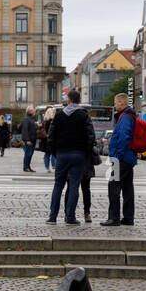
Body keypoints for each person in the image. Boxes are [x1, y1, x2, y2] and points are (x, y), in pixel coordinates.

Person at [46, 90, 94, 224]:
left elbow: (51, 136)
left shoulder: (59, 115)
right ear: (79, 101)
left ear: (68, 100)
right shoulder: (84, 115)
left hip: (62, 154)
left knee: (58, 185)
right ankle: (70, 217)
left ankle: (52, 217)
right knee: (74, 186)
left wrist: (56, 152)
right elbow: (91, 136)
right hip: (78, 154)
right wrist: (85, 152)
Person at [101, 93, 137, 226]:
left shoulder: (125, 117)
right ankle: (128, 217)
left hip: (121, 159)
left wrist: (117, 155)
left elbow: (123, 137)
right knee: (127, 187)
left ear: (122, 103)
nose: (115, 106)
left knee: (113, 186)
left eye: (116, 103)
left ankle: (114, 218)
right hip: (128, 158)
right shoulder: (128, 116)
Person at [19, 108, 37, 173]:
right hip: (29, 139)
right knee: (28, 154)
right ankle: (25, 167)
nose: (34, 111)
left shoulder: (32, 118)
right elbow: (25, 130)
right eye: (33, 110)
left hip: (33, 139)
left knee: (30, 154)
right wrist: (27, 140)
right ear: (30, 111)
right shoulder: (26, 119)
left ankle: (28, 167)